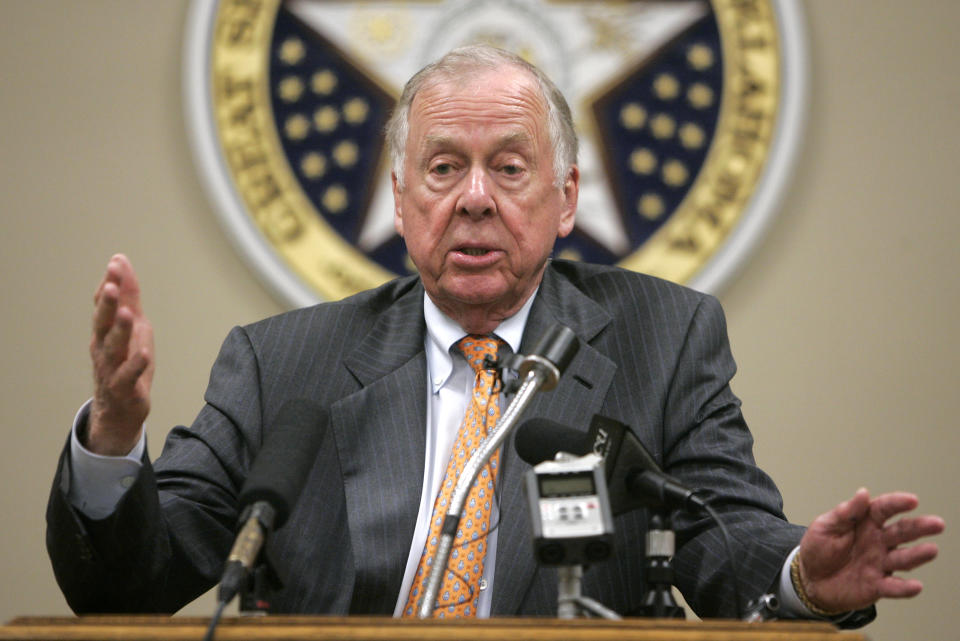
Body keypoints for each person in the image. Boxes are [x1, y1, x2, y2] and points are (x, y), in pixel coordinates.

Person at [47, 45, 943, 623]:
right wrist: (116, 438)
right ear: (400, 202)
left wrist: (801, 575)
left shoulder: (665, 338)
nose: (474, 197)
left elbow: (719, 529)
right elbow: (126, 586)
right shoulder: (282, 362)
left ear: (565, 200)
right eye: (443, 167)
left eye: (509, 167)